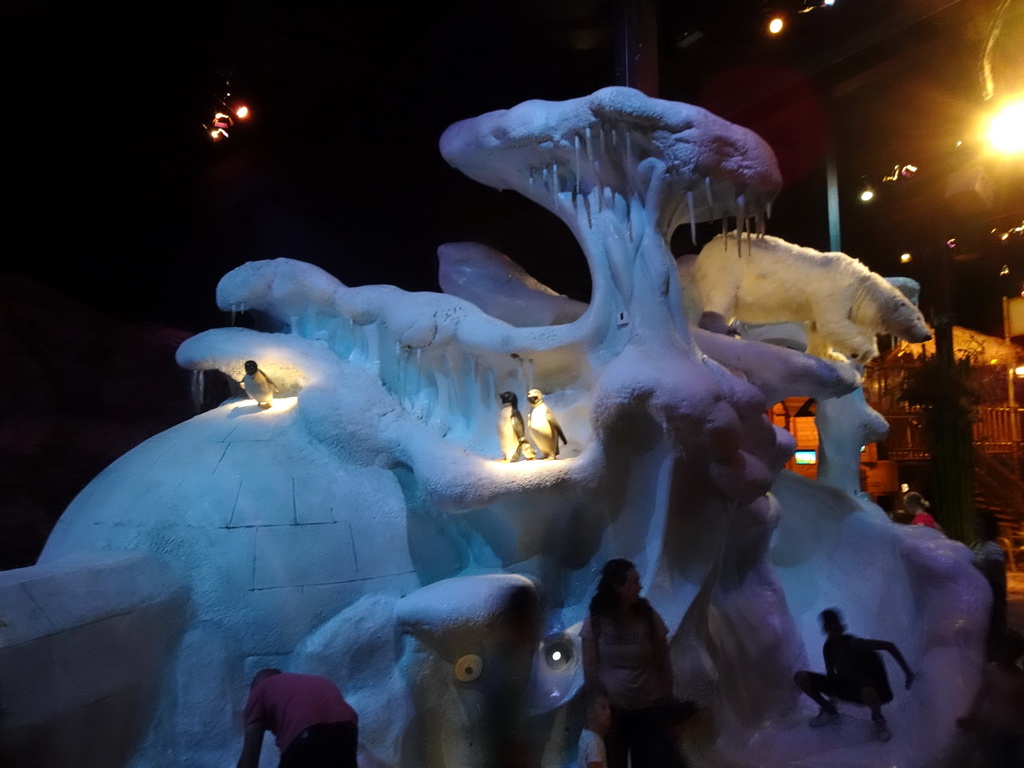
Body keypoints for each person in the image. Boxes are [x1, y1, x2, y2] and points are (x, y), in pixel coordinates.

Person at [581, 559, 683, 768]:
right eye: (634, 582)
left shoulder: (647, 616)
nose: (640, 586)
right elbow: (590, 665)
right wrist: (596, 702)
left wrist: (668, 702)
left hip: (650, 708)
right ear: (617, 587)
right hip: (614, 712)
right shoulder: (597, 619)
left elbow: (663, 659)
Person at [793, 608, 915, 742]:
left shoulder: (855, 644)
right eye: (829, 628)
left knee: (868, 691)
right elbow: (831, 675)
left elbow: (889, 646)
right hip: (845, 686)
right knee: (801, 677)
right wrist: (832, 695)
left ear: (840, 628)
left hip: (863, 689)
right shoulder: (828, 648)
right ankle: (829, 711)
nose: (833, 632)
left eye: (834, 628)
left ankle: (878, 719)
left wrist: (908, 673)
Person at [236, 669, 358, 768]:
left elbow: (249, 760)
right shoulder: (313, 680)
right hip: (347, 728)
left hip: (307, 730)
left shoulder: (259, 690)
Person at [956, 630, 1024, 768]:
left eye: (1010, 651)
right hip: (999, 730)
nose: (1006, 654)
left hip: (1018, 732)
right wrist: (971, 716)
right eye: (1004, 649)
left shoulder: (1020, 679)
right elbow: (981, 694)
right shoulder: (992, 670)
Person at [972, 513, 1008, 659]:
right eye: (974, 524)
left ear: (988, 528)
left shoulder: (993, 549)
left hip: (992, 597)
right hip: (981, 597)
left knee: (993, 633)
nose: (975, 528)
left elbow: (994, 576)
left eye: (979, 525)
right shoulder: (976, 545)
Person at [577, 688, 612, 768]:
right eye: (603, 708)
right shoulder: (594, 744)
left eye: (608, 707)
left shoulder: (586, 733)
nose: (609, 711)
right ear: (590, 713)